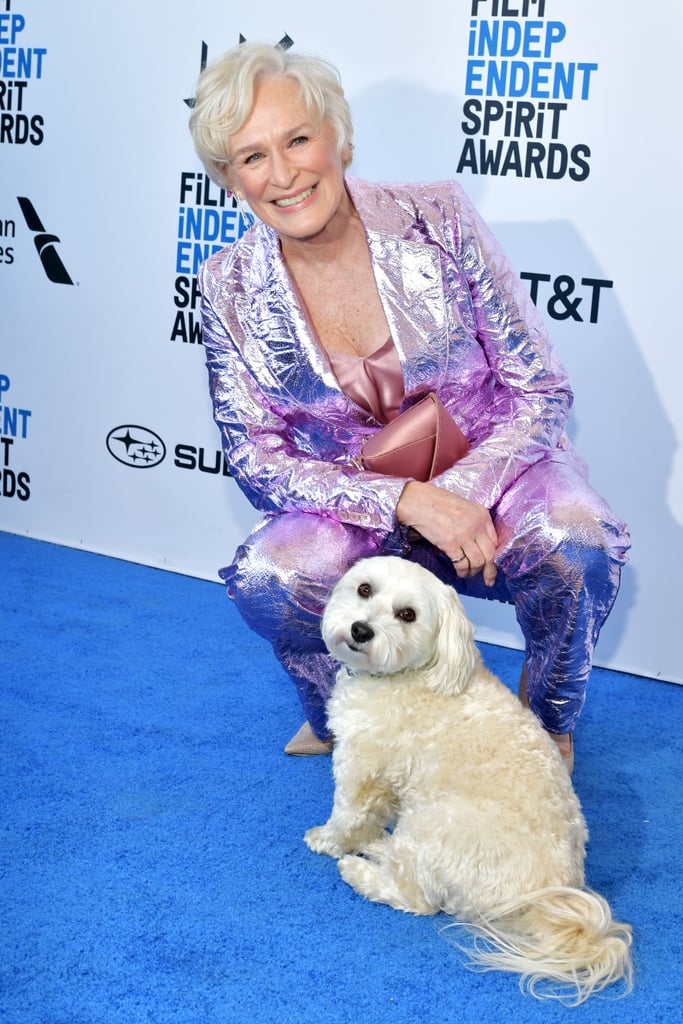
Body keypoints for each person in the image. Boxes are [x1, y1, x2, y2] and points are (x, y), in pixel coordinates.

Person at [189, 41, 629, 771]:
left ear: (340, 138)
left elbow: (538, 387)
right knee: (271, 578)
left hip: (498, 470)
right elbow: (255, 457)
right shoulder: (225, 285)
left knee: (578, 545)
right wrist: (404, 501)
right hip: (360, 502)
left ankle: (545, 722)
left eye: (298, 139)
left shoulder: (438, 217)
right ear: (229, 177)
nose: (283, 173)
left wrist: (455, 495)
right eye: (251, 156)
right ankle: (344, 720)